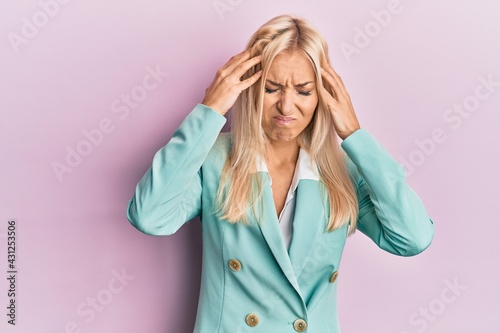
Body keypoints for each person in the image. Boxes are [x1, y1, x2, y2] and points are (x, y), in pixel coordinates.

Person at [126, 14, 434, 333]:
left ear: (325, 95)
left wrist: (355, 135)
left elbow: (412, 238)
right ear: (251, 88)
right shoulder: (212, 159)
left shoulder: (343, 171)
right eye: (272, 89)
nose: (286, 107)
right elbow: (149, 217)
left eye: (303, 91)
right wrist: (209, 111)